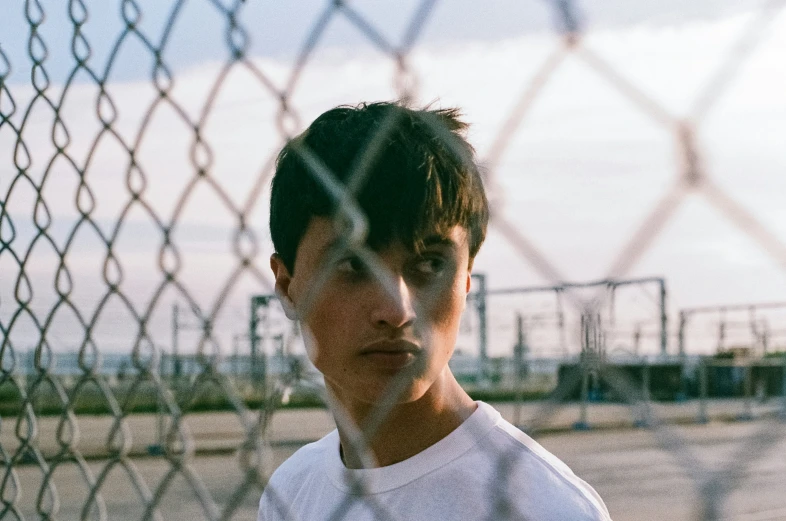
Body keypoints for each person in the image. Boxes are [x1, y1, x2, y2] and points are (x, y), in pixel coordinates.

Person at [258, 101, 611, 520]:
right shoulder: (290, 492)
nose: (397, 310)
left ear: (464, 281)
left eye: (430, 265)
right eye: (352, 264)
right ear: (287, 285)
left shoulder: (543, 509)